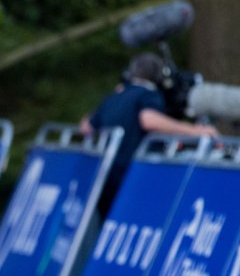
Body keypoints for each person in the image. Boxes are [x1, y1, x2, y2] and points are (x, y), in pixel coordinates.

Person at [80, 52, 218, 216]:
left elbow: (86, 126)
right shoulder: (148, 95)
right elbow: (148, 119)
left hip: (104, 175)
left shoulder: (113, 98)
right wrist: (194, 131)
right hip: (130, 176)